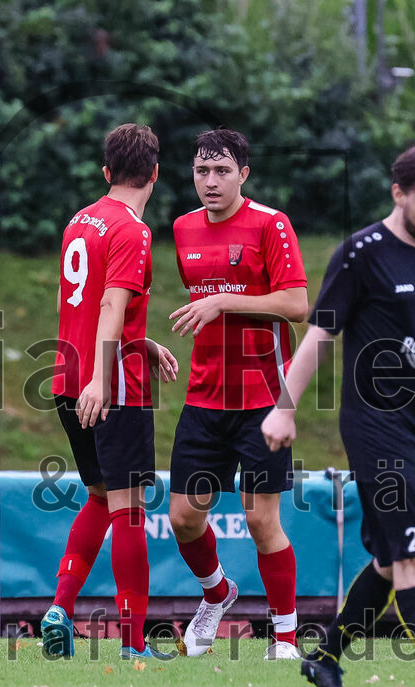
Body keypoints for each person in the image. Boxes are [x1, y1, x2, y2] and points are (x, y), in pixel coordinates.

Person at [262, 144, 415, 687]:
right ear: (399, 193)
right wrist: (284, 406)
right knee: (413, 556)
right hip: (374, 428)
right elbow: (319, 334)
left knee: (391, 563)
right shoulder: (361, 253)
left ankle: (323, 660)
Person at [166, 128, 308, 660]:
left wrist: (226, 300)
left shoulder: (270, 224)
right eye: (202, 171)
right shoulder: (182, 228)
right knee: (183, 516)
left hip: (265, 398)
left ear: (243, 174)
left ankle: (286, 639)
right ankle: (218, 594)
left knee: (260, 519)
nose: (210, 181)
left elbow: (297, 304)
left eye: (222, 170)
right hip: (204, 398)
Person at [42, 123, 179, 660]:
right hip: (109, 387)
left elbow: (87, 304)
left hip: (66, 378)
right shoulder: (133, 230)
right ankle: (132, 643)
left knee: (100, 497)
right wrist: (106, 374)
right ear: (155, 173)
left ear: (105, 173)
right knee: (129, 511)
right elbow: (109, 307)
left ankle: (59, 609)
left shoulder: (80, 221)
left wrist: (139, 344)